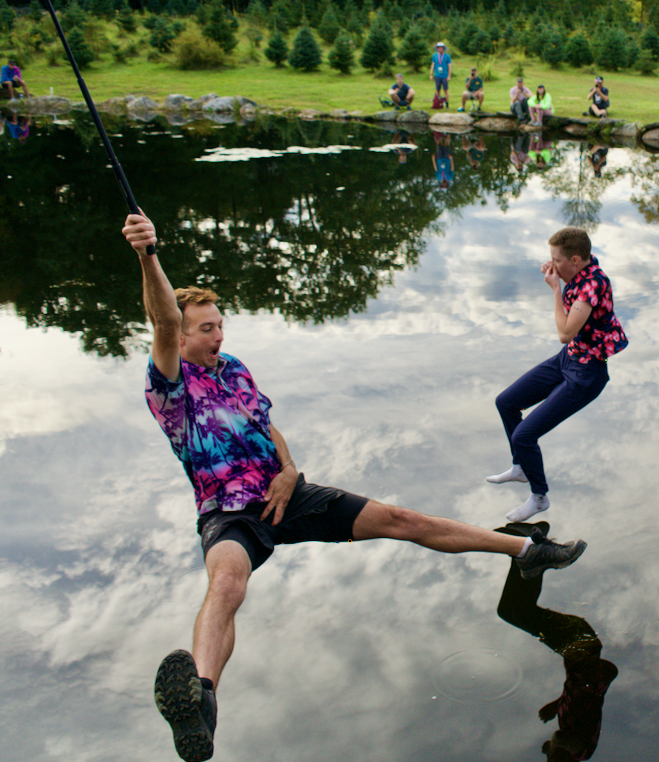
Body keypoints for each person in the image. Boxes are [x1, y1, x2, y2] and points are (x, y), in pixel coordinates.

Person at [120, 212, 587, 762]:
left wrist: (289, 470)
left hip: (289, 492)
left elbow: (267, 426)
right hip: (230, 512)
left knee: (400, 520)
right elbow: (159, 318)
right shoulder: (172, 384)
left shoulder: (234, 369)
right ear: (179, 334)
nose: (219, 335)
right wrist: (149, 254)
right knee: (226, 584)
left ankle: (526, 550)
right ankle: (200, 703)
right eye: (206, 328)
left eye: (221, 324)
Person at [485, 228, 628, 522]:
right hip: (568, 359)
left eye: (556, 260)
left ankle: (539, 498)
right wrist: (557, 271)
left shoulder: (592, 286)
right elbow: (568, 341)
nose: (551, 265)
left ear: (575, 260)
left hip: (585, 376)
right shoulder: (583, 266)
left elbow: (564, 333)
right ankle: (521, 467)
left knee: (524, 435)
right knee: (506, 402)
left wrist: (555, 288)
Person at [494, 522, 617, 762]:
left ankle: (521, 548)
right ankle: (529, 545)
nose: (546, 754)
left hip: (579, 649)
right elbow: (562, 739)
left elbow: (603, 678)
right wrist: (553, 745)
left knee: (508, 612)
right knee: (521, 612)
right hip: (580, 645)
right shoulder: (580, 750)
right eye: (549, 757)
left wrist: (558, 703)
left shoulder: (575, 726)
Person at [429, 41, 452, 106]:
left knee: (445, 90)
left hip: (445, 75)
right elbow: (433, 65)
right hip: (437, 75)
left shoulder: (447, 56)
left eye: (442, 48)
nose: (440, 49)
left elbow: (449, 66)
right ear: (437, 48)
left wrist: (449, 76)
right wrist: (431, 74)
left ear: (443, 49)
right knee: (437, 90)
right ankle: (439, 102)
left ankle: (447, 103)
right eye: (439, 48)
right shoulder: (435, 55)